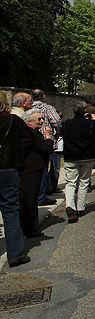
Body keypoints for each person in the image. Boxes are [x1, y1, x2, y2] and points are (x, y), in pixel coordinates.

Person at [0, 92, 31, 267]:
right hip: (9, 168)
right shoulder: (13, 120)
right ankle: (15, 255)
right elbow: (28, 139)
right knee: (10, 212)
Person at [62, 103, 95, 223]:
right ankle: (80, 207)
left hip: (70, 157)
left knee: (70, 183)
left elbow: (61, 134)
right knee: (84, 182)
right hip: (86, 157)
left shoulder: (66, 124)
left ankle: (70, 206)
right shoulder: (91, 124)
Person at [19, 110, 53, 237]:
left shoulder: (32, 133)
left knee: (30, 199)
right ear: (29, 123)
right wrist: (48, 137)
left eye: (42, 119)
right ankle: (30, 229)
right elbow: (46, 149)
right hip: (31, 170)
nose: (42, 121)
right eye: (38, 119)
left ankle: (29, 227)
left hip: (33, 169)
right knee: (30, 199)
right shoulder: (31, 134)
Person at [31, 89, 62, 201]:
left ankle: (38, 192)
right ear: (43, 96)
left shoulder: (28, 108)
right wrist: (57, 132)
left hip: (30, 140)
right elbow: (57, 122)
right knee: (45, 167)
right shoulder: (48, 108)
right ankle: (43, 194)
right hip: (45, 139)